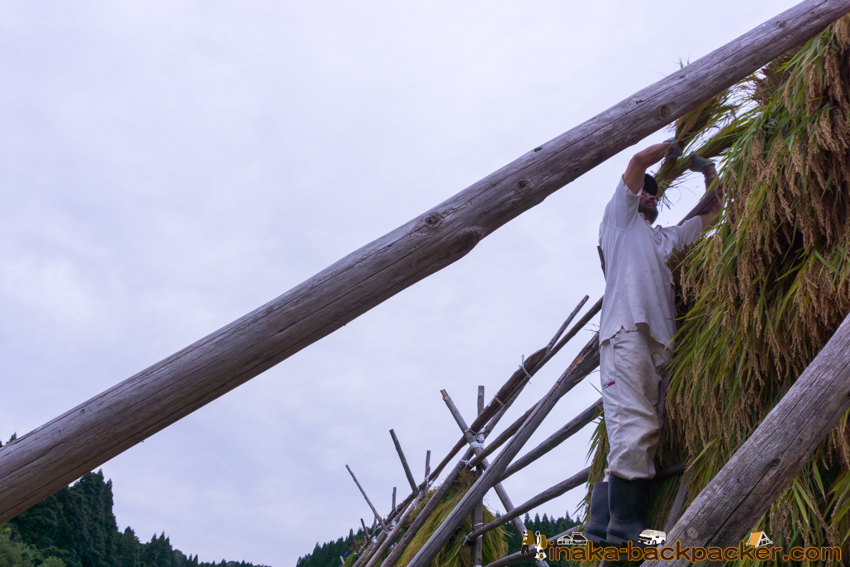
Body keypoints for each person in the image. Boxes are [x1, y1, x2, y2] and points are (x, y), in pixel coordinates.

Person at [584, 140, 723, 546]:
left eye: (653, 191)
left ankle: (601, 525)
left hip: (660, 343)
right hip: (626, 333)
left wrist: (708, 170)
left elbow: (713, 211)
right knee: (634, 425)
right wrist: (672, 147)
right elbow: (637, 162)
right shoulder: (619, 223)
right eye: (643, 190)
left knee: (644, 429)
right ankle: (624, 527)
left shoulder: (665, 240)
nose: (649, 194)